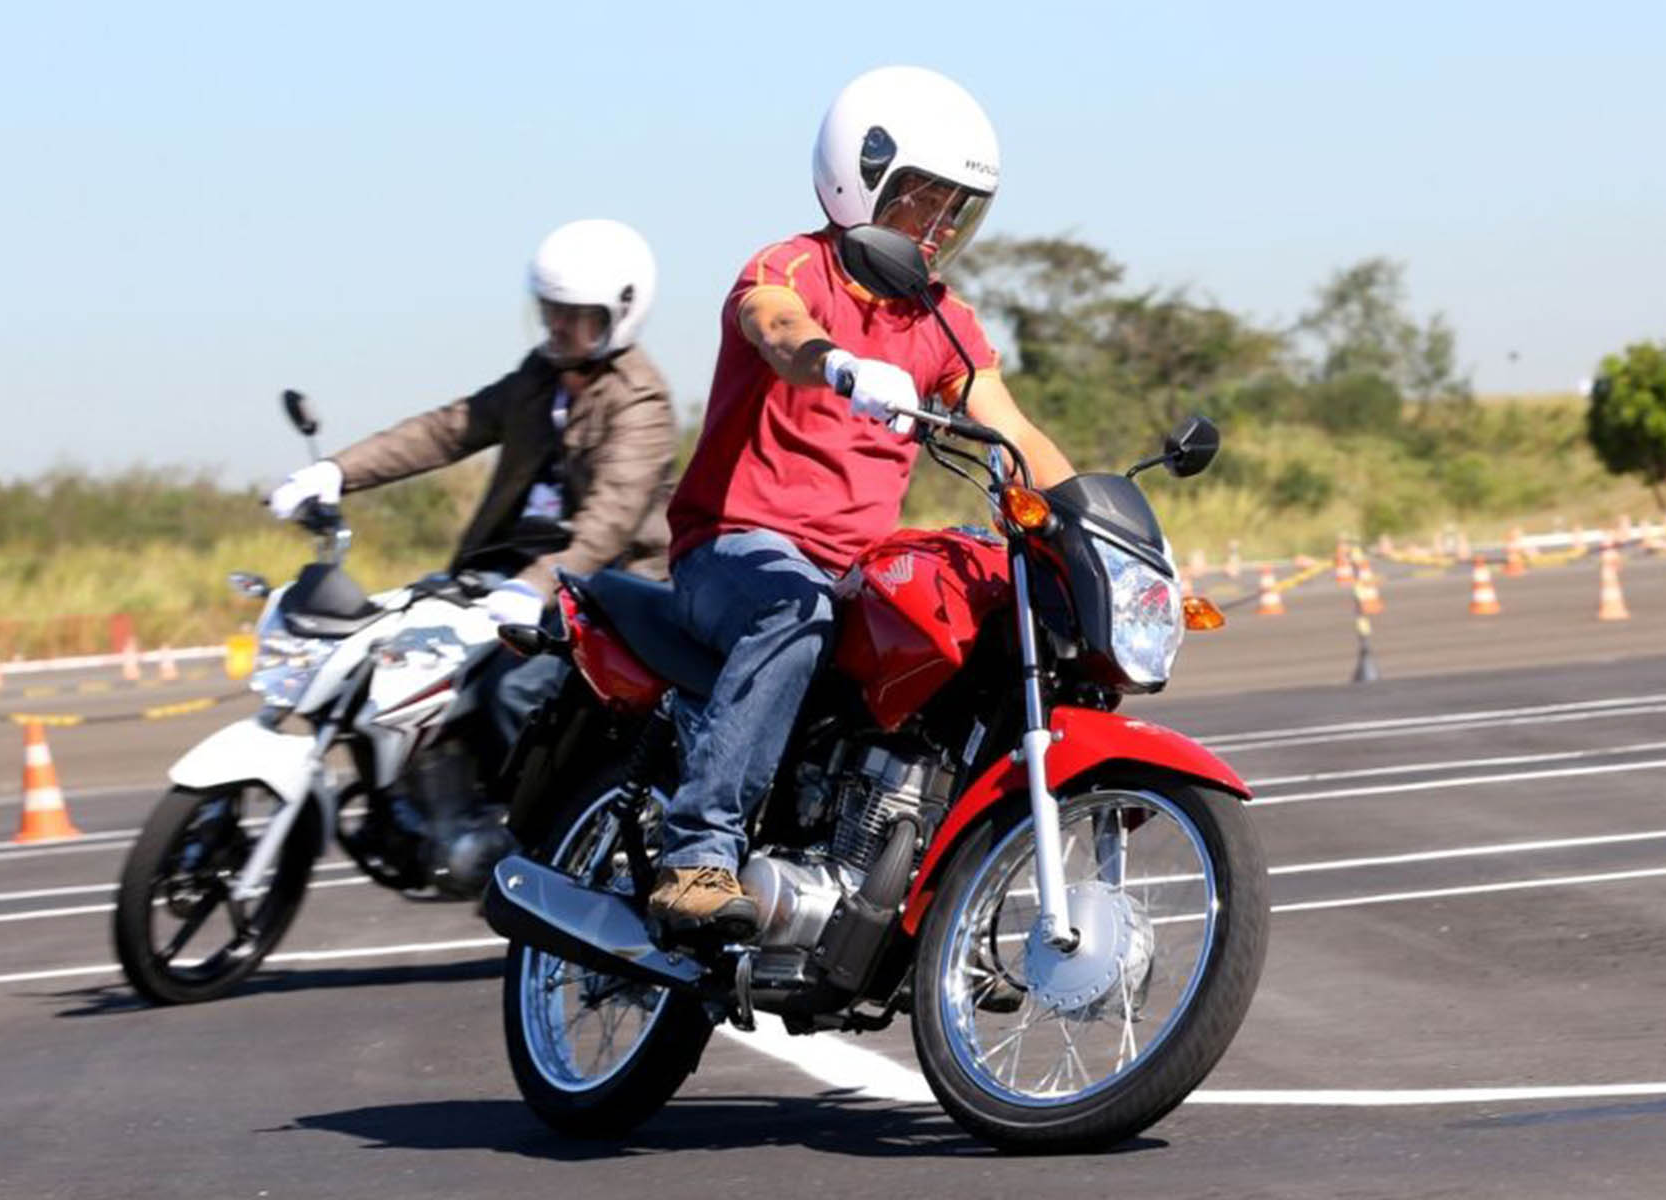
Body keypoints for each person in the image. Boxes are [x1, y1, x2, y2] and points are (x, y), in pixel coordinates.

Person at [648, 66, 1075, 937]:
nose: (944, 225)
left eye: (960, 208)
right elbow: (775, 327)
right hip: (734, 548)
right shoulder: (793, 266)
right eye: (928, 199)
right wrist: (836, 362)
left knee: (984, 602)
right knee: (795, 608)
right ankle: (696, 852)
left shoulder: (942, 318)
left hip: (851, 566)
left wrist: (1093, 522)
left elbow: (1010, 426)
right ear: (863, 176)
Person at [265, 218, 677, 751]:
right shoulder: (539, 376)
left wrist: (534, 587)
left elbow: (609, 522)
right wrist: (337, 472)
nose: (558, 325)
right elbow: (449, 429)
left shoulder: (640, 400)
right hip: (508, 574)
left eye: (577, 315)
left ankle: (529, 831)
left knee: (514, 693)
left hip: (605, 590)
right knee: (390, 661)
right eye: (551, 309)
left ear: (620, 315)